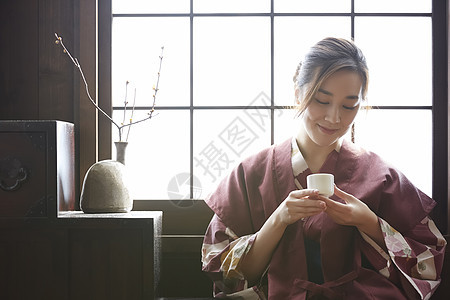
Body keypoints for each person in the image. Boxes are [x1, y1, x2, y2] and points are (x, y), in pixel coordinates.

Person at [200, 37, 446, 299]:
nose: (334, 117)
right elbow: (222, 270)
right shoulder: (251, 173)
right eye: (321, 100)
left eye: (349, 105)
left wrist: (369, 222)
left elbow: (427, 263)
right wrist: (279, 219)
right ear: (298, 93)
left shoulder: (381, 176)